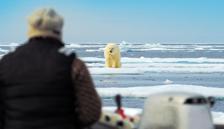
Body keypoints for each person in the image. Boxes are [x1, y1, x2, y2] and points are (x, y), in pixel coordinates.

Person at [0, 8, 101, 129]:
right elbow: (90, 113)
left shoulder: (5, 63)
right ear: (58, 31)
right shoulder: (73, 64)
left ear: (31, 30)